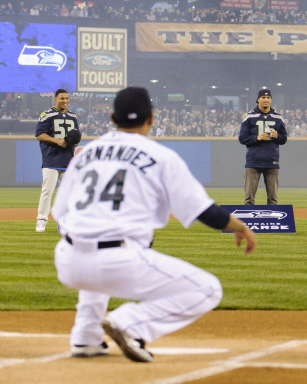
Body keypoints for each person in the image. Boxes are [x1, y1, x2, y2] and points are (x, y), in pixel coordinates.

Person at [52, 86, 256, 362]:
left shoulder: (85, 154)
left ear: (112, 117)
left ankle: (86, 337)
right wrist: (239, 226)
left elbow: (59, 212)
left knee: (96, 270)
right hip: (118, 261)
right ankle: (130, 323)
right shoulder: (161, 156)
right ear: (151, 118)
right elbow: (203, 211)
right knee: (208, 289)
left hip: (68, 261)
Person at [35, 89, 80, 232]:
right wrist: (56, 141)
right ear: (55, 99)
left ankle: (64, 222)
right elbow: (39, 134)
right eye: (62, 98)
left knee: (68, 194)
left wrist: (74, 142)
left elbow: (75, 138)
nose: (65, 101)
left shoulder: (73, 116)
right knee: (47, 192)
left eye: (67, 98)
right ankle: (41, 221)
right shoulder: (47, 115)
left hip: (67, 160)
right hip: (51, 159)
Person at [238, 89, 288, 205]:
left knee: (273, 200)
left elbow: (284, 139)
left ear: (271, 100)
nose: (266, 100)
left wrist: (277, 136)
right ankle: (247, 223)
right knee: (249, 199)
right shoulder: (249, 117)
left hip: (272, 161)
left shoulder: (278, 117)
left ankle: (273, 223)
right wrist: (257, 138)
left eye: (268, 98)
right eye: (263, 98)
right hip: (253, 162)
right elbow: (242, 138)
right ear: (258, 100)